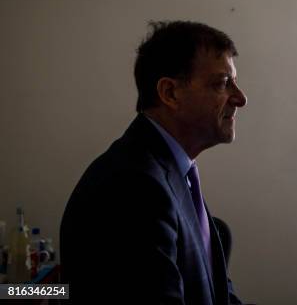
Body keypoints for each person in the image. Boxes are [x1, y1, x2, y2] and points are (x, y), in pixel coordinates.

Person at [60, 21, 247, 304]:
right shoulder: (133, 185)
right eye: (223, 83)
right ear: (170, 93)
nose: (240, 98)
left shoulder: (170, 171)